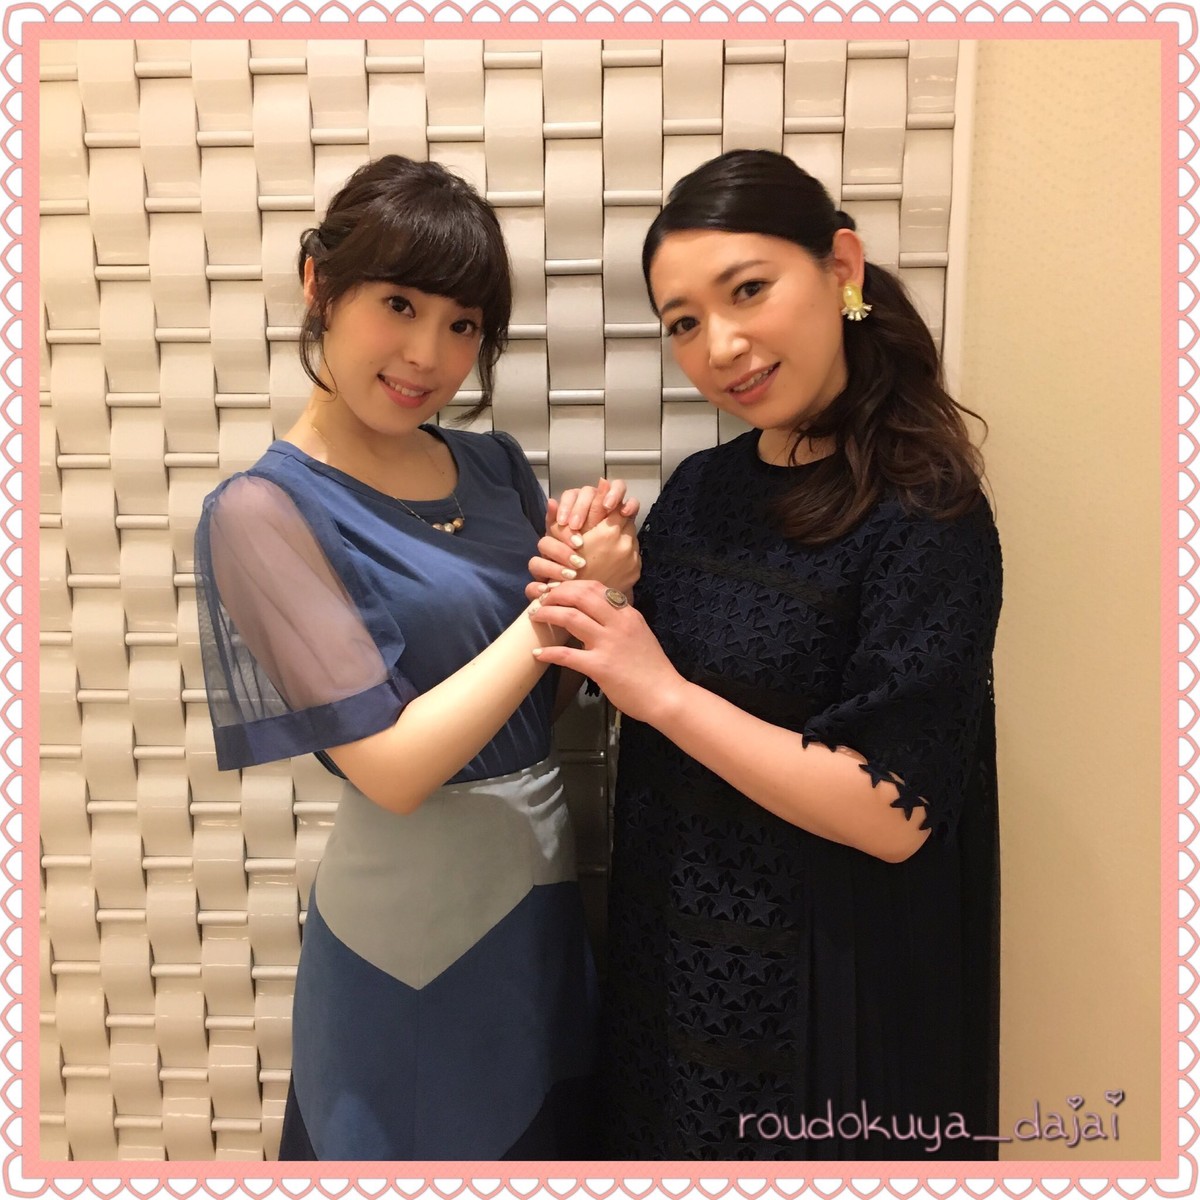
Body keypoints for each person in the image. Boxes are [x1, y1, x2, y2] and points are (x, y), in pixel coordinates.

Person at [528, 149, 1003, 1160]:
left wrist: (659, 691)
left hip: (822, 994)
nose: (722, 345)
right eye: (684, 322)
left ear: (842, 268)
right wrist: (606, 583)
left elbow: (894, 815)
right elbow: (662, 681)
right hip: (671, 964)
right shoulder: (704, 489)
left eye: (748, 290)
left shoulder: (928, 515)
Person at [193, 155, 640, 1161]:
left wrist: (600, 581)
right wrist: (555, 612)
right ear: (320, 285)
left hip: (541, 892)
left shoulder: (493, 466)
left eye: (462, 324)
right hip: (406, 937)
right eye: (398, 304)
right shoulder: (263, 512)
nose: (428, 354)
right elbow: (391, 771)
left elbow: (544, 704)